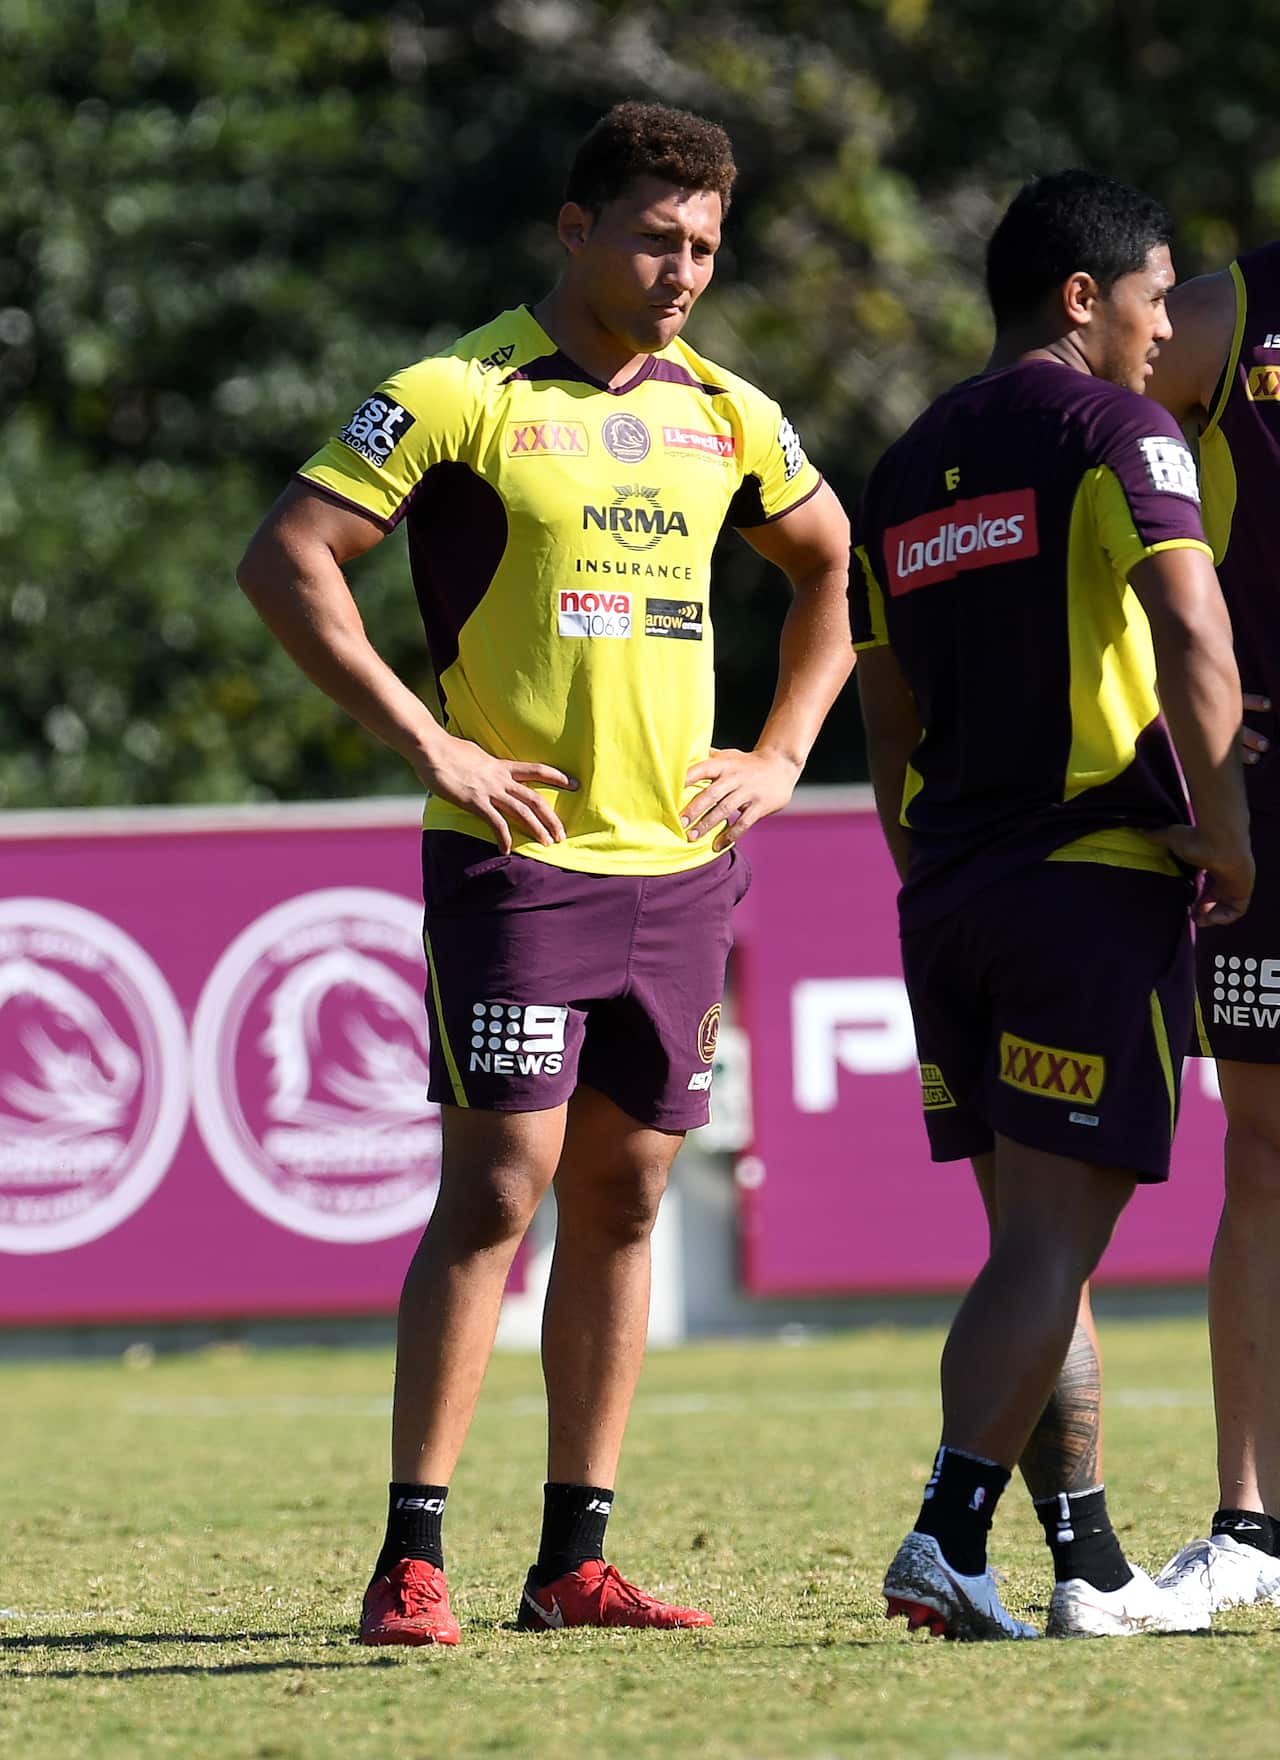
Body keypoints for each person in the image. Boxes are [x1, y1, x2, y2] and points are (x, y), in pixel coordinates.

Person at [236, 101, 852, 1646]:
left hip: (683, 870)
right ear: (575, 229)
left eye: (705, 245)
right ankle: (410, 1557)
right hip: (517, 862)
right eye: (655, 236)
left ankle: (575, 1559)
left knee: (632, 1195)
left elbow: (836, 566)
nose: (682, 271)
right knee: (498, 1187)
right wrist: (426, 743)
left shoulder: (730, 412)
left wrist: (781, 753)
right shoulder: (459, 391)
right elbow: (287, 556)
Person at [850, 169, 1252, 1639]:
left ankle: (1084, 1567)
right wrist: (1232, 836)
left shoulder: (904, 464)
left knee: (1038, 1240)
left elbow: (883, 716)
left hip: (951, 892)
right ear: (1084, 297)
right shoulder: (1117, 431)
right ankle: (950, 1535)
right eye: (1153, 301)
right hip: (1088, 887)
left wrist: (930, 869)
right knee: (1047, 1247)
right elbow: (1194, 630)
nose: (1166, 335)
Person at [1144, 241, 1280, 1612]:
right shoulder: (1231, 310)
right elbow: (1099, 429)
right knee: (1268, 1146)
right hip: (1271, 784)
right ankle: (1253, 1529)